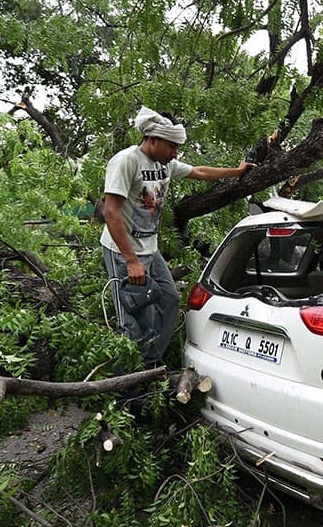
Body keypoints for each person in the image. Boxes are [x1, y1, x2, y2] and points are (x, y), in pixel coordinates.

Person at [101, 106, 253, 368]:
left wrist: (236, 172)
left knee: (170, 299)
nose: (175, 153)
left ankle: (150, 362)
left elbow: (201, 172)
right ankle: (129, 380)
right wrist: (131, 260)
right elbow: (111, 213)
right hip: (122, 251)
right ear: (153, 139)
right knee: (132, 316)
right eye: (172, 146)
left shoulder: (166, 164)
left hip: (150, 247)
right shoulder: (127, 161)